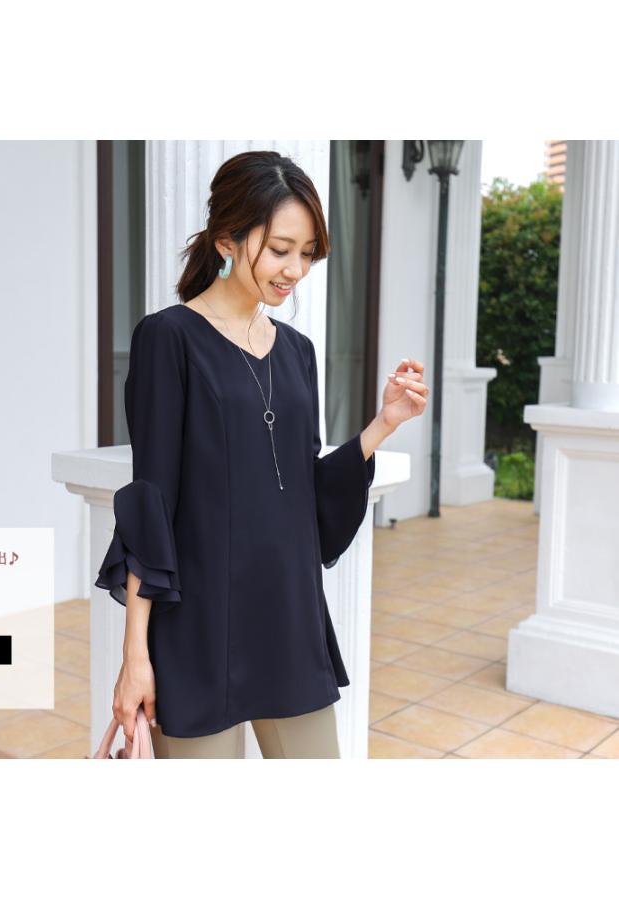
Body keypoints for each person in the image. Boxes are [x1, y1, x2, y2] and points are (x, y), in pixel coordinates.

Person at [95, 150, 428, 758]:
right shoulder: (168, 339)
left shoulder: (298, 352)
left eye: (307, 253)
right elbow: (151, 504)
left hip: (288, 617)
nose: (294, 269)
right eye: (279, 249)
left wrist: (382, 424)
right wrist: (135, 655)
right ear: (228, 239)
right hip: (198, 629)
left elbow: (305, 495)